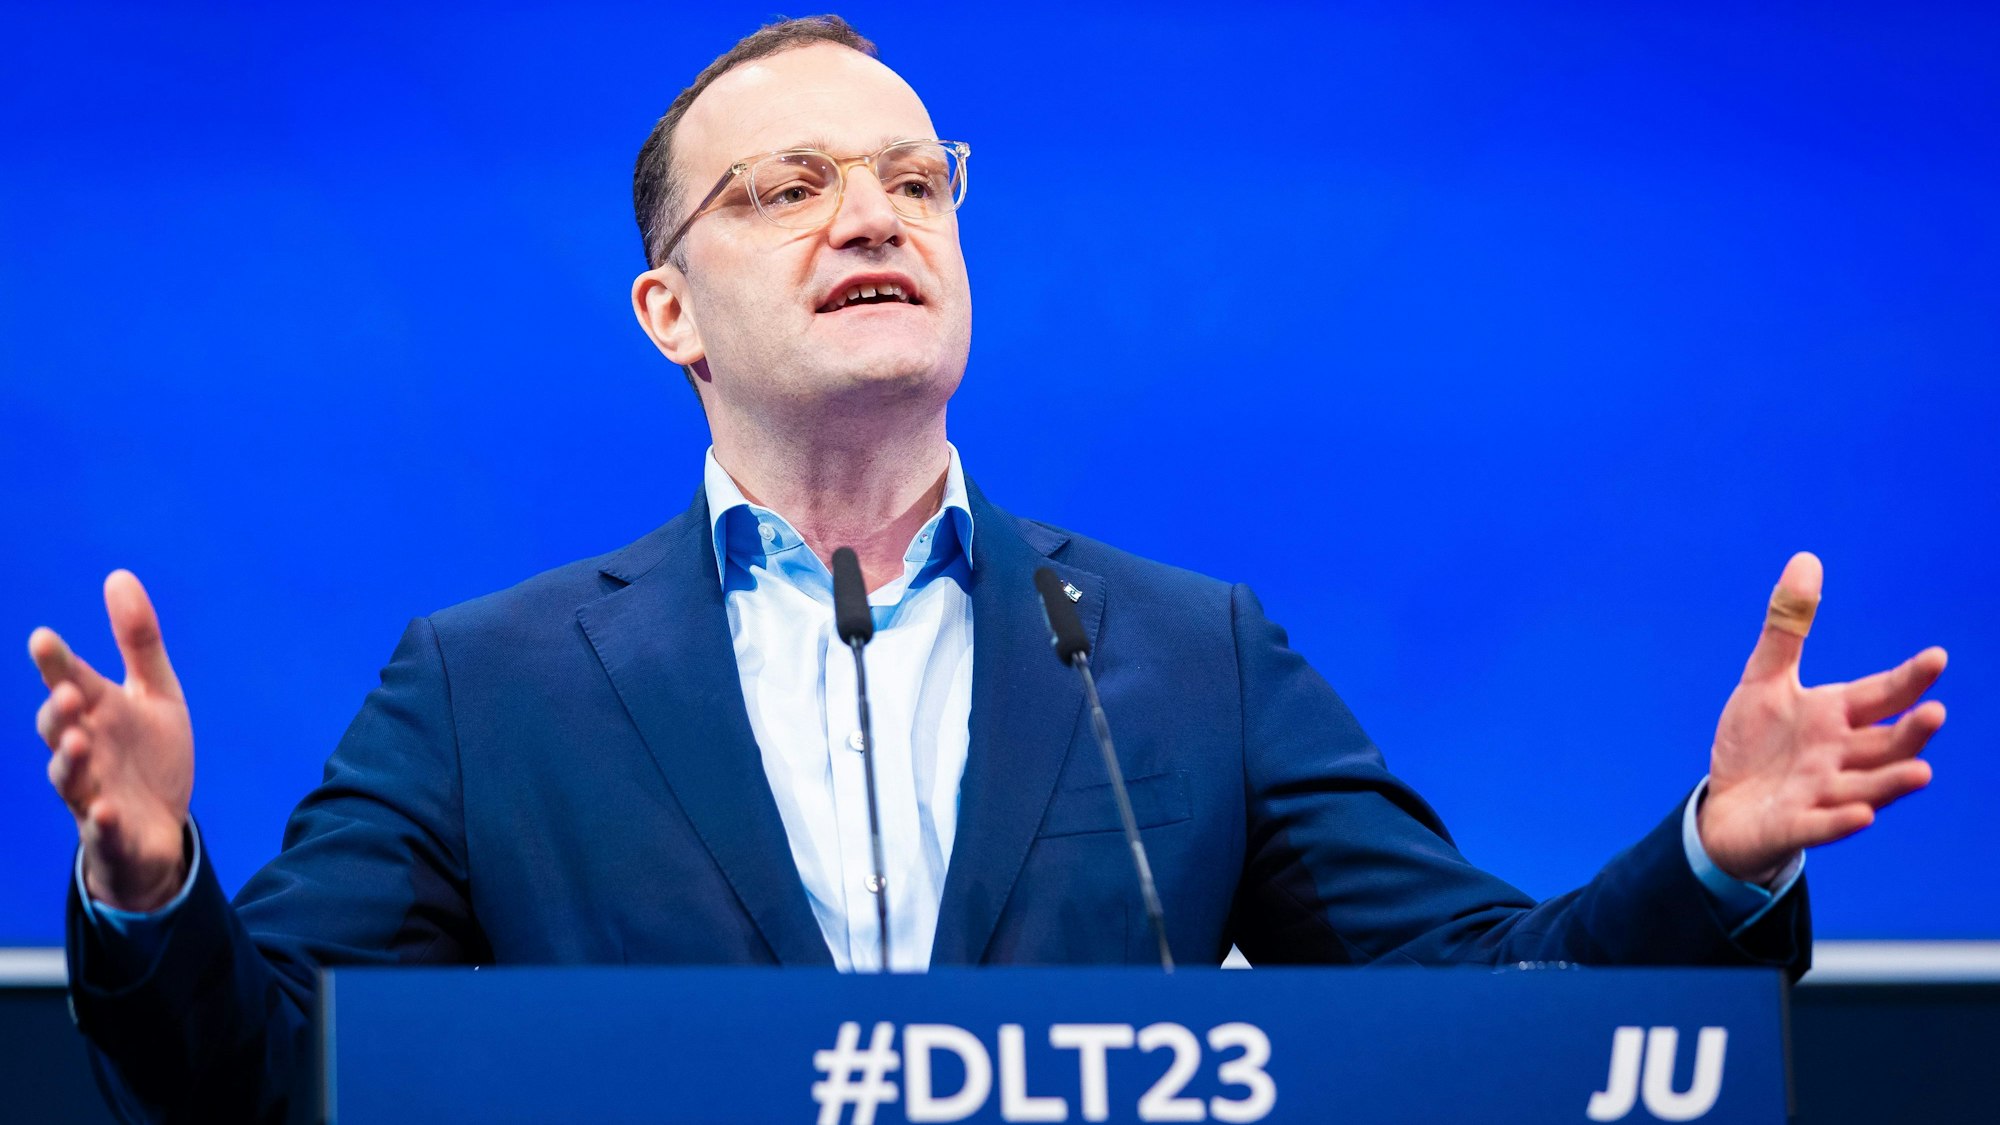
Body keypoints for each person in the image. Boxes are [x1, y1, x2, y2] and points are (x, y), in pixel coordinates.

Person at [27, 15, 1948, 1123]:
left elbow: (1489, 1011)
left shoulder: (1185, 651)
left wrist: (1718, 850)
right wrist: (147, 883)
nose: (873, 212)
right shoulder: (489, 682)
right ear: (669, 311)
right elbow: (267, 1077)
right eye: (788, 190)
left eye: (916, 177)